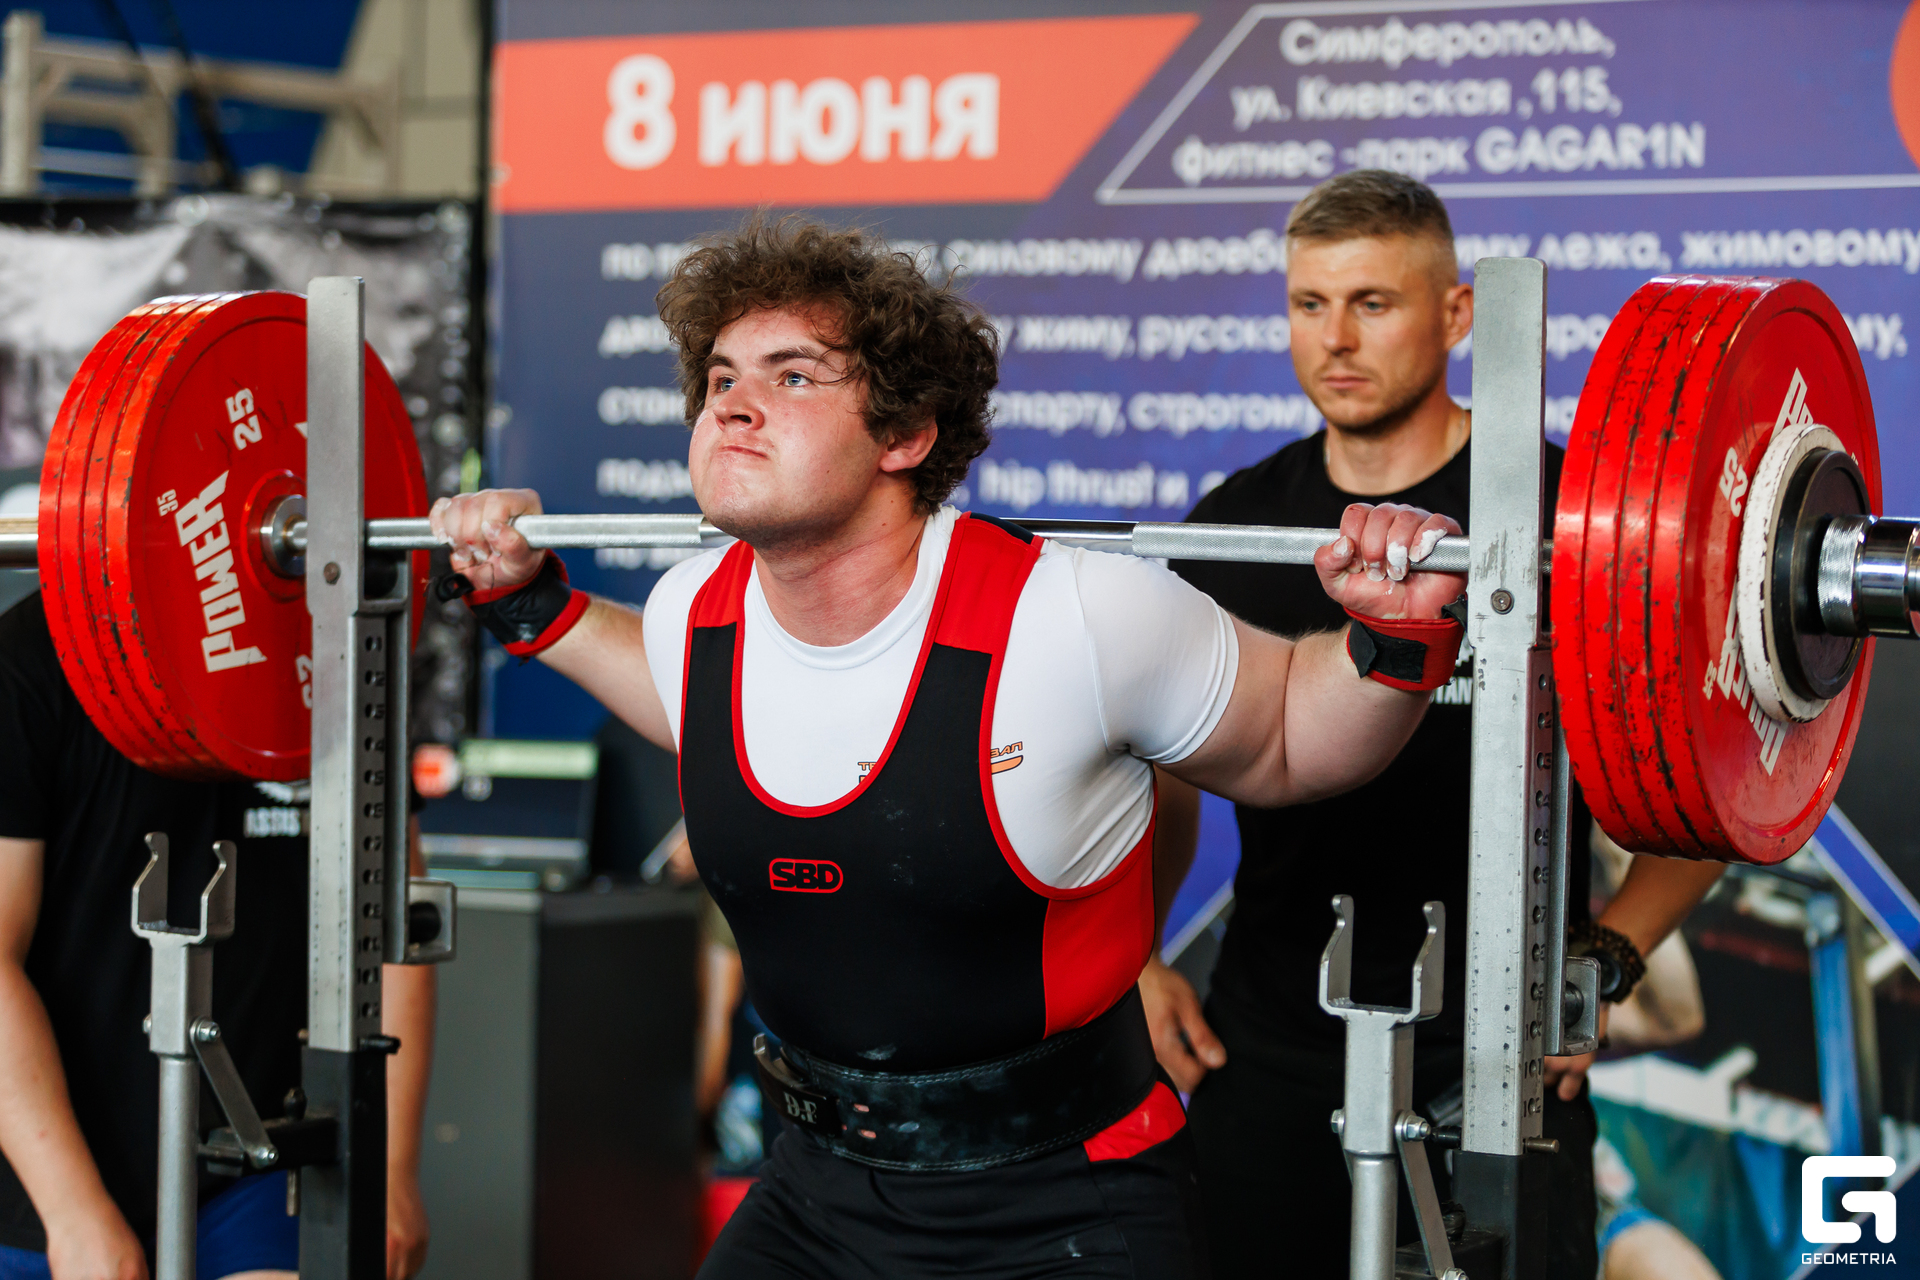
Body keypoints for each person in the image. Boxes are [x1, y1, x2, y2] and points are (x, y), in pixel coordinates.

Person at [430, 214, 1472, 1279]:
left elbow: (1293, 734)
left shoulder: (1075, 617)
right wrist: (531, 604)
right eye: (721, 377)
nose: (731, 403)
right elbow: (695, 709)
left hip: (1062, 1206)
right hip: (815, 1191)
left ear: (906, 434)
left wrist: (1396, 638)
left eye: (793, 376)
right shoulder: (692, 611)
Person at [1138, 170, 1726, 1279]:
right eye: (1310, 304)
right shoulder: (1237, 523)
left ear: (1458, 314)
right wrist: (1138, 953)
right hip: (1263, 1047)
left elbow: (1707, 775)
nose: (1335, 339)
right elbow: (1162, 769)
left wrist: (1611, 957)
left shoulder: (1571, 526)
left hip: (1499, 1064)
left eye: (1373, 302)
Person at [0, 592, 436, 1280]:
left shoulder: (339, 641)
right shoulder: (27, 657)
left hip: (257, 1160)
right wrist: (72, 1211)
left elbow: (393, 928)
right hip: (36, 1178)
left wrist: (390, 1165)